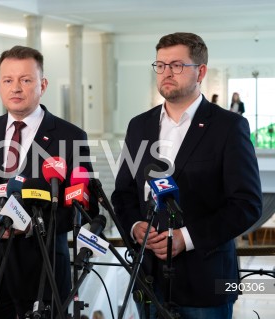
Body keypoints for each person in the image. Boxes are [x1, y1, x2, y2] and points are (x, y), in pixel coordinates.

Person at [111, 32, 262, 319]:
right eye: (160, 65)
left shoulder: (229, 127)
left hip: (206, 283)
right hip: (148, 280)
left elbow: (246, 204)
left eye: (177, 65)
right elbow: (124, 193)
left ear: (200, 71)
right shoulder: (139, 126)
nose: (166, 72)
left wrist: (186, 237)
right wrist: (134, 227)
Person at [0, 45, 99, 318]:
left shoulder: (70, 136)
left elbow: (84, 208)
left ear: (43, 85)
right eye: (8, 80)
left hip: (43, 269)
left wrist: (29, 227)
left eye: (26, 80)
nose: (16, 88)